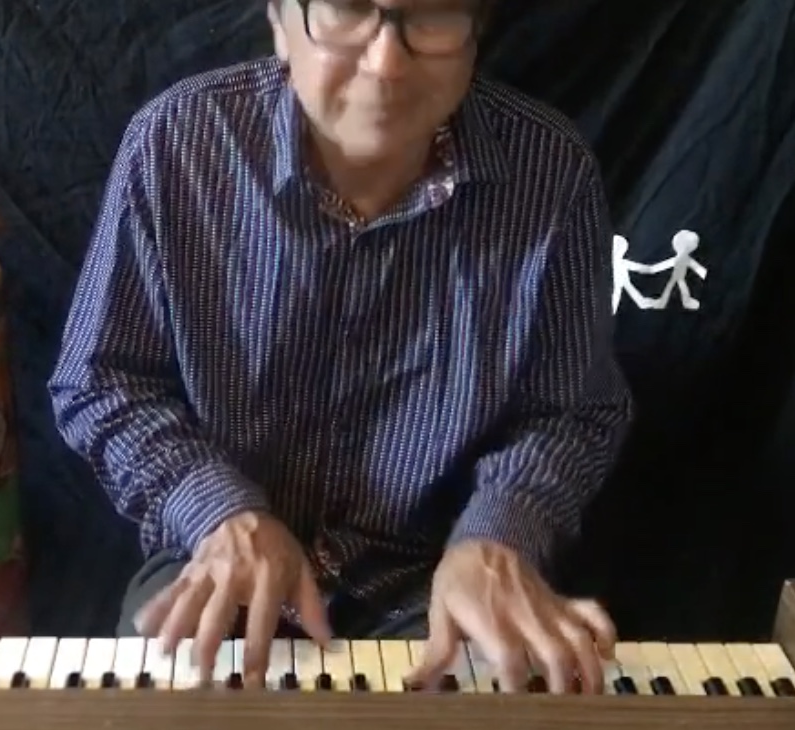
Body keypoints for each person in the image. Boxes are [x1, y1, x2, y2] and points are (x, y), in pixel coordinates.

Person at [49, 0, 634, 695]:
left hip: (434, 582)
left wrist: (501, 531)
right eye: (350, 10)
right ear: (280, 21)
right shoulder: (177, 142)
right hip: (217, 562)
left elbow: (570, 411)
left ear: (475, 31)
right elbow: (103, 380)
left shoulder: (550, 170)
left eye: (433, 15)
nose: (386, 63)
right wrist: (219, 512)